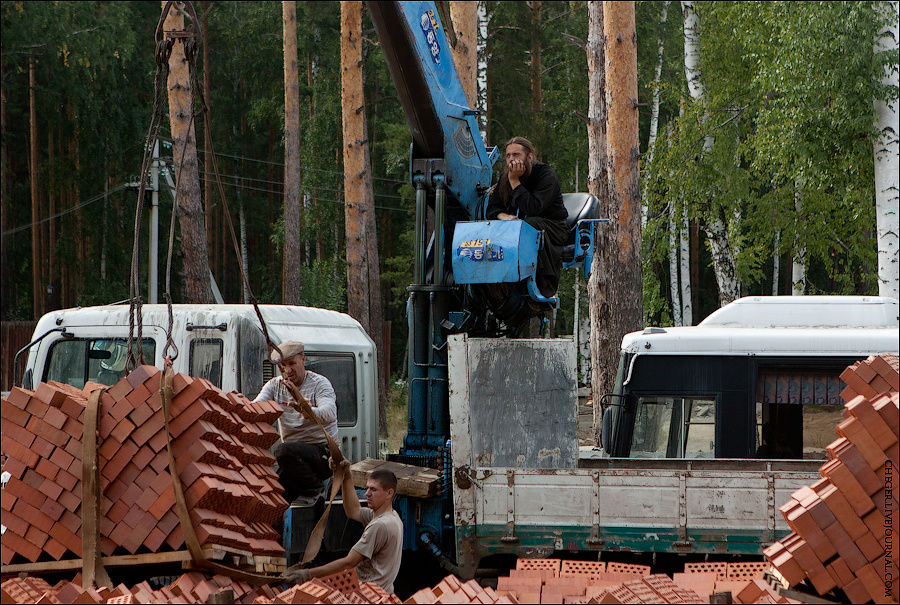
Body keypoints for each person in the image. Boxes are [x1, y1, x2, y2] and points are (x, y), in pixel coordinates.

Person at [283, 466, 404, 594]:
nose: (367, 493)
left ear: (389, 493)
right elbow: (353, 510)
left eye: (373, 490)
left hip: (369, 596)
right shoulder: (391, 516)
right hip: (383, 592)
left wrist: (307, 574)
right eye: (367, 488)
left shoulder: (380, 525)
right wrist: (346, 477)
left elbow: (349, 562)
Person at [254, 340, 338, 503]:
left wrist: (307, 410)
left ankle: (315, 489)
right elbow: (257, 405)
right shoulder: (275, 386)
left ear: (303, 360)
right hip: (295, 460)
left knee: (282, 451)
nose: (288, 370)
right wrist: (237, 404)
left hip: (323, 454)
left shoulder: (319, 383)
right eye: (283, 366)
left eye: (292, 363)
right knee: (273, 498)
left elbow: (330, 414)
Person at [485, 136, 568, 298]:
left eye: (516, 155)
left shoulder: (545, 174)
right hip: (520, 226)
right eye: (508, 155)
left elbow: (533, 207)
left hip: (553, 227)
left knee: (529, 225)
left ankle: (540, 285)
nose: (511, 160)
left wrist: (515, 182)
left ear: (529, 157)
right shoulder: (506, 177)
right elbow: (492, 208)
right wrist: (504, 217)